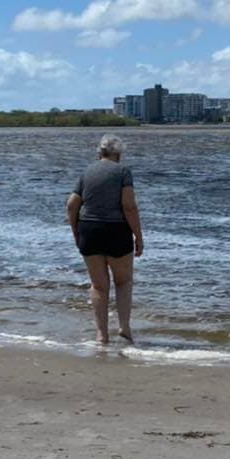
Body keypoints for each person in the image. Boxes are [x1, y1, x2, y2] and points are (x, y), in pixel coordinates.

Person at [67, 134, 144, 345]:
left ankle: (101, 334)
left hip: (89, 230)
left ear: (99, 152)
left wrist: (76, 230)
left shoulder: (86, 172)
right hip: (116, 230)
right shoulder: (123, 172)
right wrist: (138, 235)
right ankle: (124, 328)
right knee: (123, 281)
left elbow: (72, 204)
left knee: (99, 286)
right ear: (118, 153)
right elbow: (129, 206)